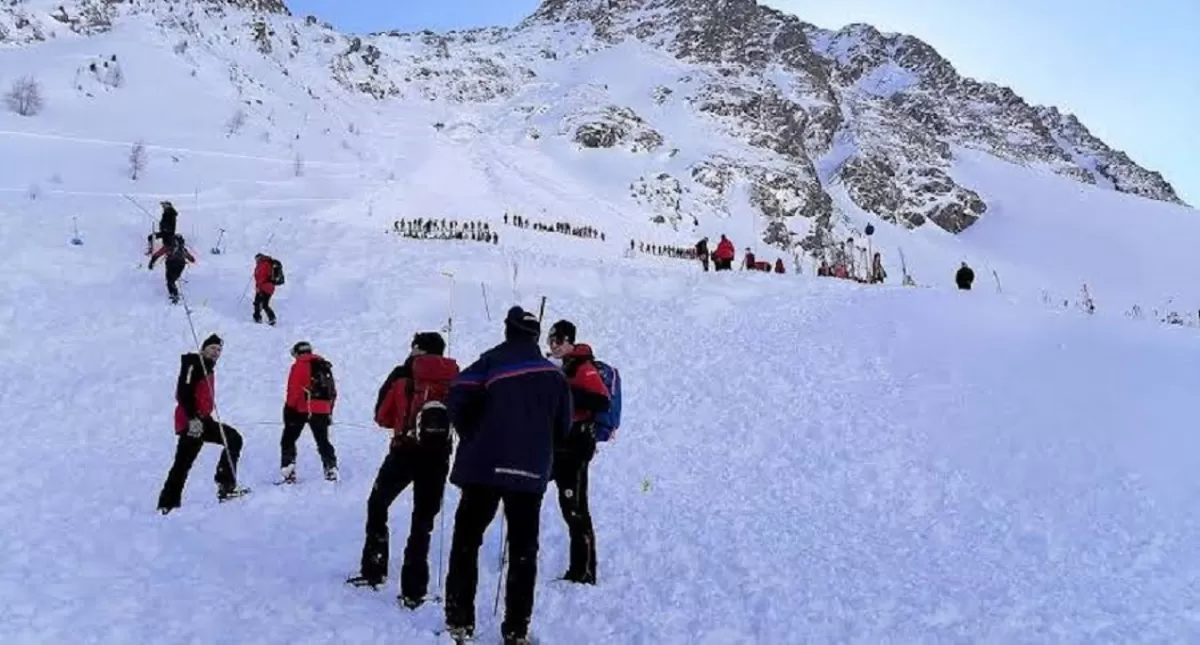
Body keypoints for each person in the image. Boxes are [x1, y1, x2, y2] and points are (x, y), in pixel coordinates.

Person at [442, 307, 572, 645]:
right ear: (534, 335)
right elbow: (563, 428)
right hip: (529, 473)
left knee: (467, 543)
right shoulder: (555, 376)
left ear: (508, 331)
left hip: (482, 467)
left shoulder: (491, 362)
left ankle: (459, 621)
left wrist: (471, 431)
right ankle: (515, 631)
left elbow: (456, 392)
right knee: (524, 552)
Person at [346, 332, 460, 609]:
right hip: (438, 457)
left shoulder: (403, 375)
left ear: (417, 349)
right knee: (423, 521)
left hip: (404, 451)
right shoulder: (454, 377)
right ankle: (414, 590)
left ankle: (374, 568)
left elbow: (381, 416)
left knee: (378, 503)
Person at [546, 320, 611, 584]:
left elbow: (601, 400)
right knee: (565, 504)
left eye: (559, 340)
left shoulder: (583, 367)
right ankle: (579, 568)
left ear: (570, 341)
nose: (554, 345)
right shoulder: (558, 367)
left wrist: (566, 391)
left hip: (576, 446)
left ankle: (583, 570)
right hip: (557, 444)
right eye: (551, 339)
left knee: (574, 507)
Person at [156, 334, 249, 514]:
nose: (217, 352)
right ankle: (169, 503)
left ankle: (169, 503)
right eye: (213, 348)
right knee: (184, 462)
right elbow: (183, 392)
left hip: (202, 420)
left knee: (231, 439)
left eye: (219, 350)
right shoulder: (194, 363)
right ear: (203, 348)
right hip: (193, 422)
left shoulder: (207, 367)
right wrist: (193, 418)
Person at [279, 341, 339, 484]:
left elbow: (294, 390)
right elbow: (332, 392)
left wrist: (289, 408)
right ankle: (331, 468)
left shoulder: (299, 365)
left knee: (288, 439)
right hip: (322, 409)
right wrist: (329, 410)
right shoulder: (324, 366)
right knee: (322, 440)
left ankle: (289, 470)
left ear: (297, 352)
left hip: (301, 407)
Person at [148, 234, 196, 304]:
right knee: (172, 279)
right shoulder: (182, 249)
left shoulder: (168, 246)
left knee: (170, 280)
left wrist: (151, 263)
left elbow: (157, 254)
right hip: (181, 264)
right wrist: (192, 259)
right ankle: (174, 294)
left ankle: (174, 295)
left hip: (171, 263)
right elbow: (191, 259)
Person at [253, 253, 278, 325]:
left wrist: (258, 287)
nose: (256, 261)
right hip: (270, 288)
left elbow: (260, 278)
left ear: (259, 258)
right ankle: (272, 318)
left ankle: (257, 317)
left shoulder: (262, 264)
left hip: (263, 287)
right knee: (265, 304)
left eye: (256, 259)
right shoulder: (268, 263)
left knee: (257, 302)